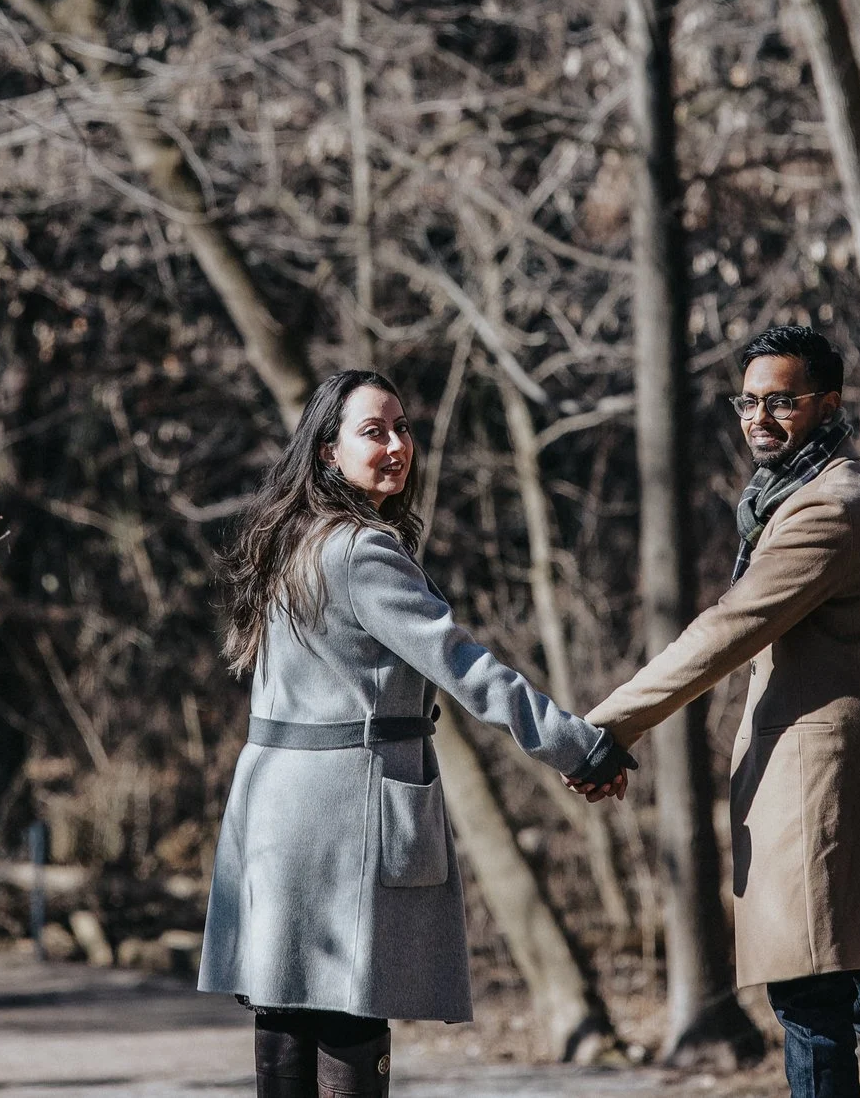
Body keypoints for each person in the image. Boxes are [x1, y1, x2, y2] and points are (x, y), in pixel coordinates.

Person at [199, 369, 637, 1098]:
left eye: (403, 426)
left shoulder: (293, 540)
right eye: (376, 431)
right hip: (341, 816)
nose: (400, 444)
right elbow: (465, 666)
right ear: (328, 452)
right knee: (346, 1009)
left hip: (274, 810)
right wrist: (577, 743)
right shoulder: (360, 550)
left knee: (286, 1014)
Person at [577, 325, 860, 1098]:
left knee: (840, 1000)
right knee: (852, 996)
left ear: (827, 405)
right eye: (747, 401)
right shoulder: (794, 498)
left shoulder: (831, 507)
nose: (759, 417)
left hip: (836, 787)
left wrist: (605, 726)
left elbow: (729, 628)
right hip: (828, 781)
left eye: (781, 400)